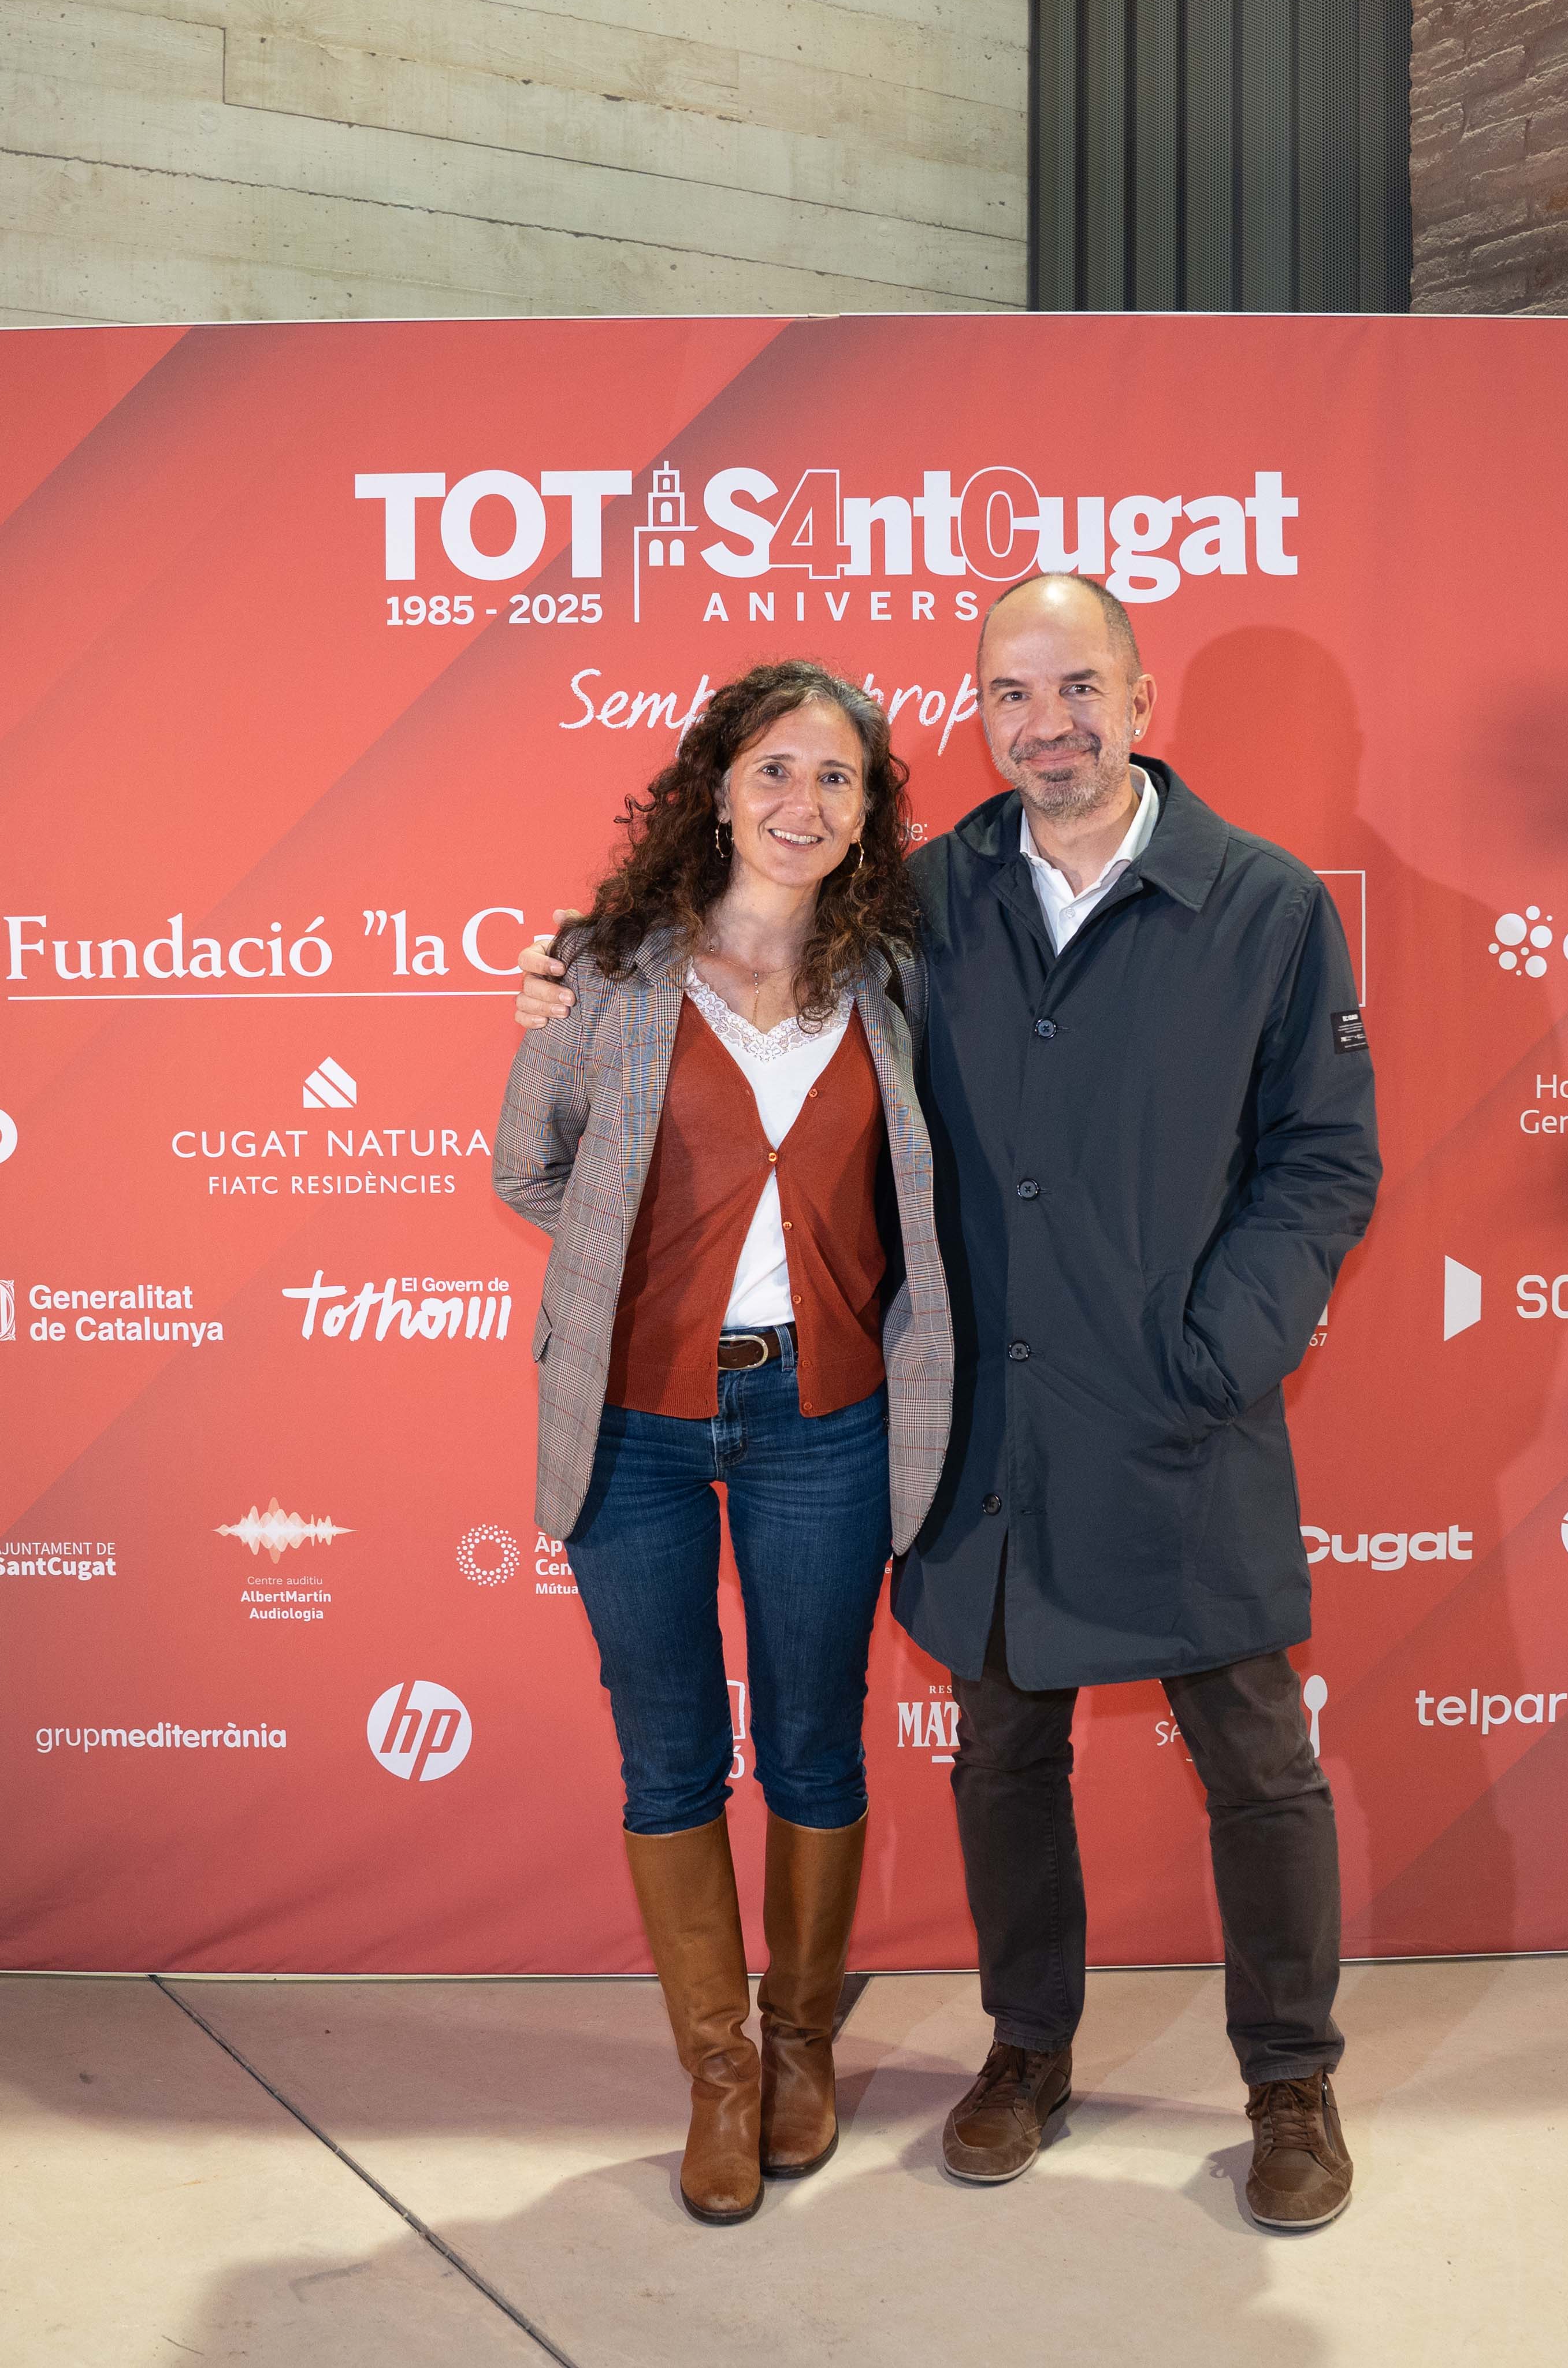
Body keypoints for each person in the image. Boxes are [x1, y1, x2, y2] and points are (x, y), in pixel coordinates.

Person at [514, 576, 1380, 2231]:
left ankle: (1290, 2082)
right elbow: (734, 965)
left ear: (1138, 699)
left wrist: (1228, 1341)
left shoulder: (1264, 905)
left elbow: (1326, 1155)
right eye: (1008, 695)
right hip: (981, 1406)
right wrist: (583, 978)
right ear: (977, 717)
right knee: (1003, 1749)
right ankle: (1027, 2054)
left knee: (1258, 1754)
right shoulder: (923, 899)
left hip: (1178, 1405)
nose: (1044, 723)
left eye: (1076, 688)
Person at [492, 660, 953, 2229]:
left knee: (817, 1742)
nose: (802, 804)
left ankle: (803, 2040)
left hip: (820, 1423)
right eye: (775, 769)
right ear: (715, 785)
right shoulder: (608, 971)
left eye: (837, 779)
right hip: (628, 1427)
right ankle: (718, 2073)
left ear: (868, 813)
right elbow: (527, 1172)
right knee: (670, 1752)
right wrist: (626, 1273)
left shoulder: (896, 980)